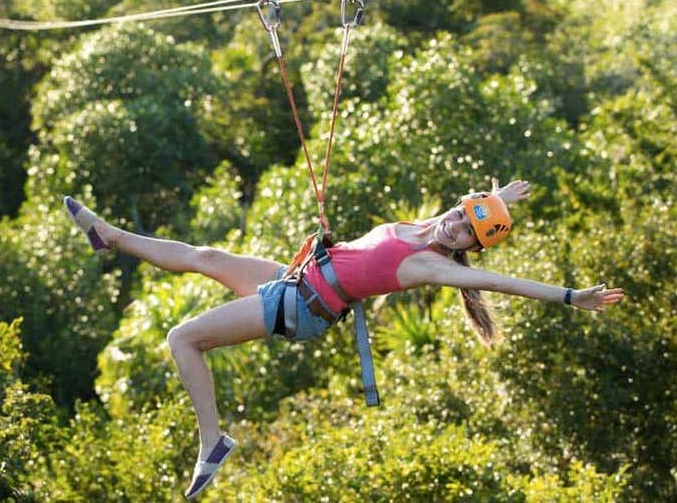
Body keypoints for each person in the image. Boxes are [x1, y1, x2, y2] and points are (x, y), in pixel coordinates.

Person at [63, 178, 624, 499]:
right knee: (204, 256)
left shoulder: (433, 264)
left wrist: (571, 296)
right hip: (300, 277)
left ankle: (212, 441)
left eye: (467, 234)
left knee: (181, 337)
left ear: (467, 250)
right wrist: (502, 199)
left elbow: (500, 281)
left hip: (301, 305)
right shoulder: (428, 224)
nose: (454, 227)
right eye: (462, 216)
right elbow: (461, 215)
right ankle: (109, 236)